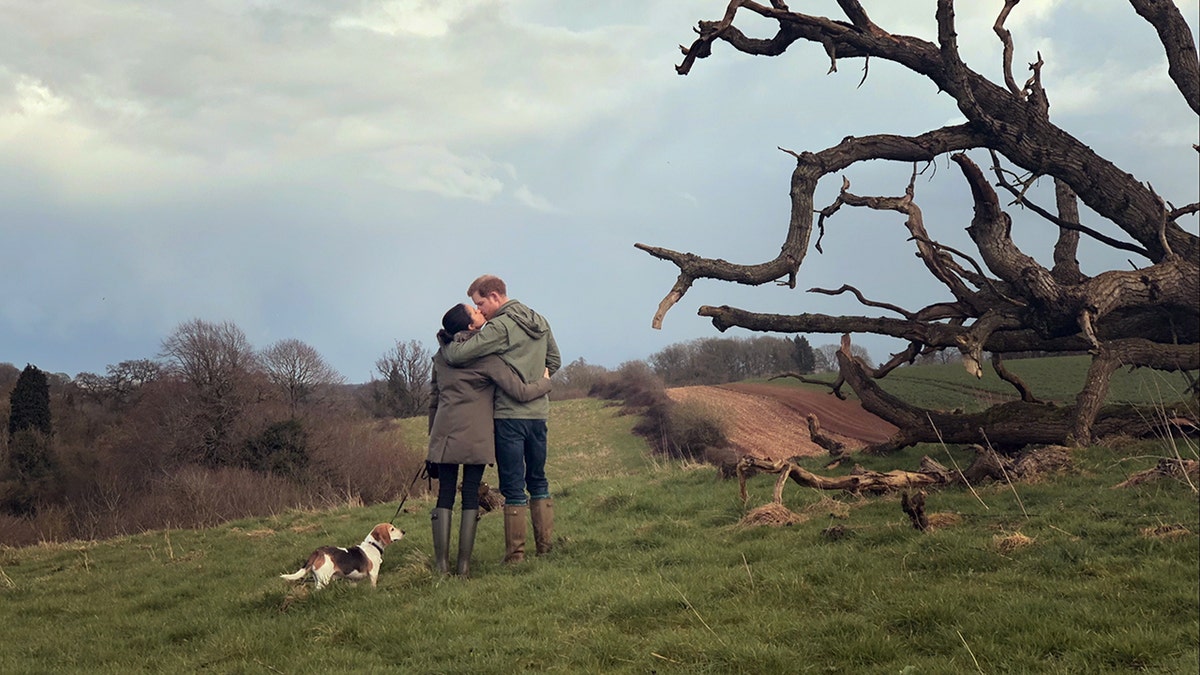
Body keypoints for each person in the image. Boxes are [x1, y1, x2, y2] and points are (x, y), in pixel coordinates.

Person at [440, 274, 560, 564]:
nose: (480, 310)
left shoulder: (500, 326)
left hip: (509, 414)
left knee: (513, 484)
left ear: (494, 296)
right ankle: (545, 549)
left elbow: (459, 355)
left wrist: (445, 343)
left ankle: (515, 556)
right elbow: (554, 361)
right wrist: (539, 381)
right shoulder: (539, 320)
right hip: (538, 414)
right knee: (539, 480)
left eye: (480, 303)